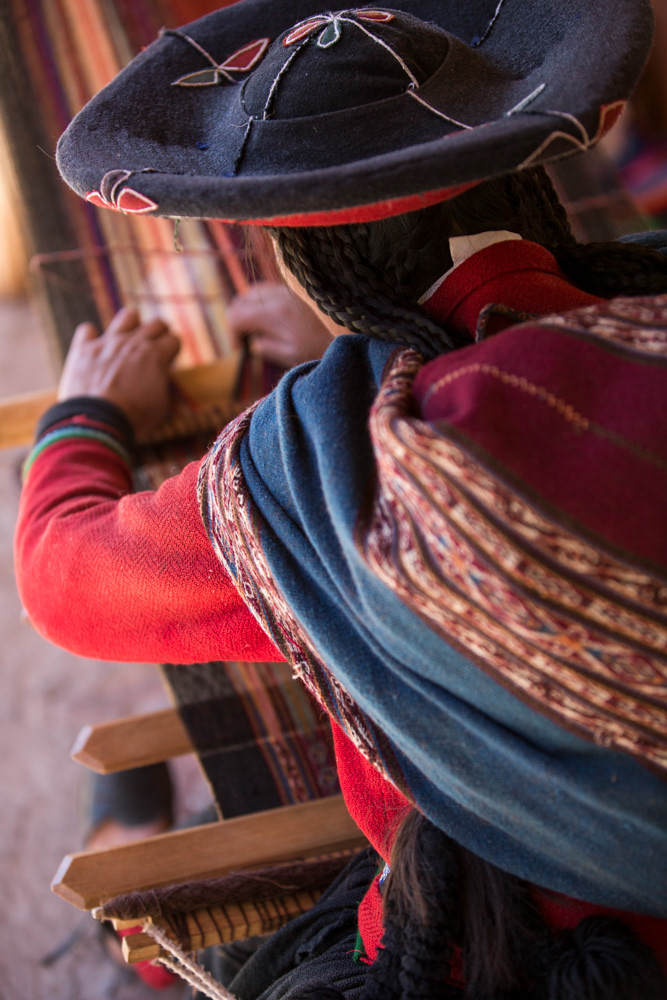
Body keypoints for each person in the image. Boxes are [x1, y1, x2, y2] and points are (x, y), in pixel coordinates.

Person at [14, 1, 667, 997]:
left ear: (305, 262)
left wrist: (86, 414)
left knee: (233, 940)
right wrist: (362, 346)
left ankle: (128, 835)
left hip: (514, 953)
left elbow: (62, 576)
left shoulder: (335, 462)